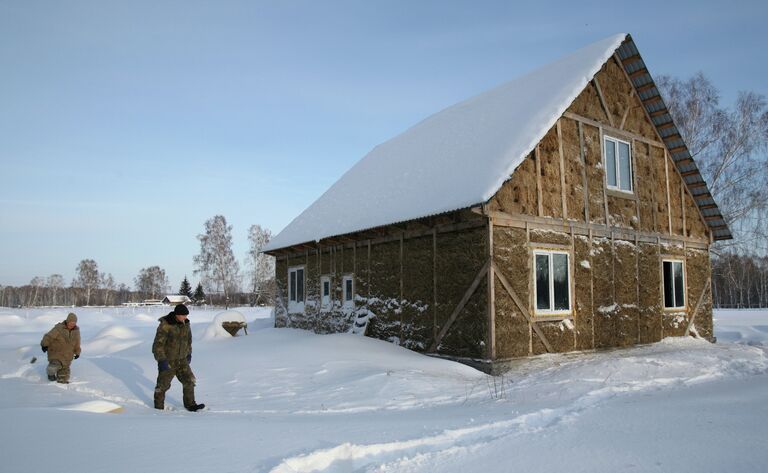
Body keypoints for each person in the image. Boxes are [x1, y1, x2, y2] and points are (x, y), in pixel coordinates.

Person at [152, 304, 205, 412]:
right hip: (168, 360)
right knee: (162, 386)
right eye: (183, 315)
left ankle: (190, 404)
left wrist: (188, 353)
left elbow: (188, 340)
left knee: (189, 381)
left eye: (186, 315)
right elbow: (158, 345)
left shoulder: (186, 324)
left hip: (182, 360)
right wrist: (161, 360)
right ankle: (158, 408)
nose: (185, 317)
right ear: (177, 314)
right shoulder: (166, 325)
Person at [40, 312, 81, 384]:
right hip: (56, 354)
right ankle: (50, 375)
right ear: (67, 321)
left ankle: (61, 384)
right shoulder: (58, 329)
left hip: (67, 357)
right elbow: (49, 336)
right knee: (52, 368)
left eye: (74, 323)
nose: (72, 325)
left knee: (63, 379)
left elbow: (77, 344)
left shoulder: (76, 332)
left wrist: (77, 352)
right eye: (71, 322)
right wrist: (44, 345)